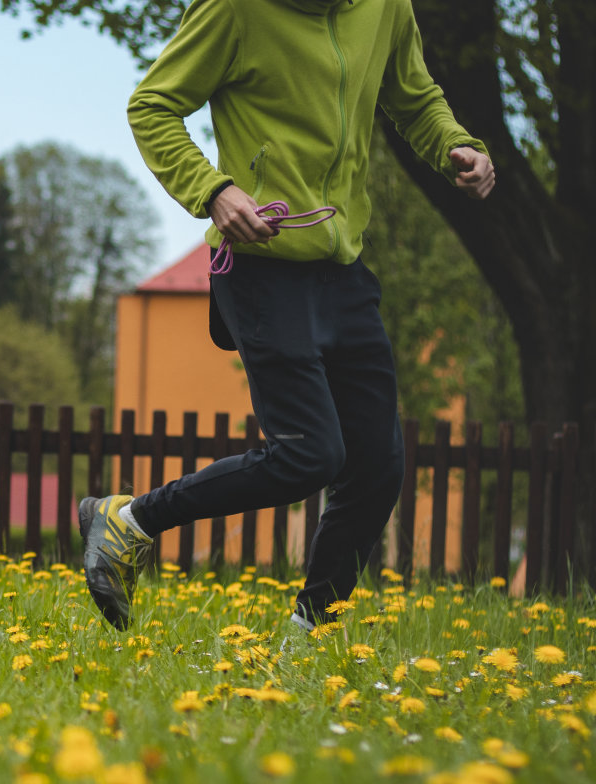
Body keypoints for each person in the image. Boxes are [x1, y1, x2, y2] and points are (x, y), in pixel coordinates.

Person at [79, 0, 494, 631]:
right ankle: (129, 520)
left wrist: (456, 145)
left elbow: (413, 95)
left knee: (377, 466)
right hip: (260, 267)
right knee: (309, 455)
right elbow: (153, 105)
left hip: (344, 267)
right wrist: (213, 189)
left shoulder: (384, 6)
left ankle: (308, 638)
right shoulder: (237, 9)